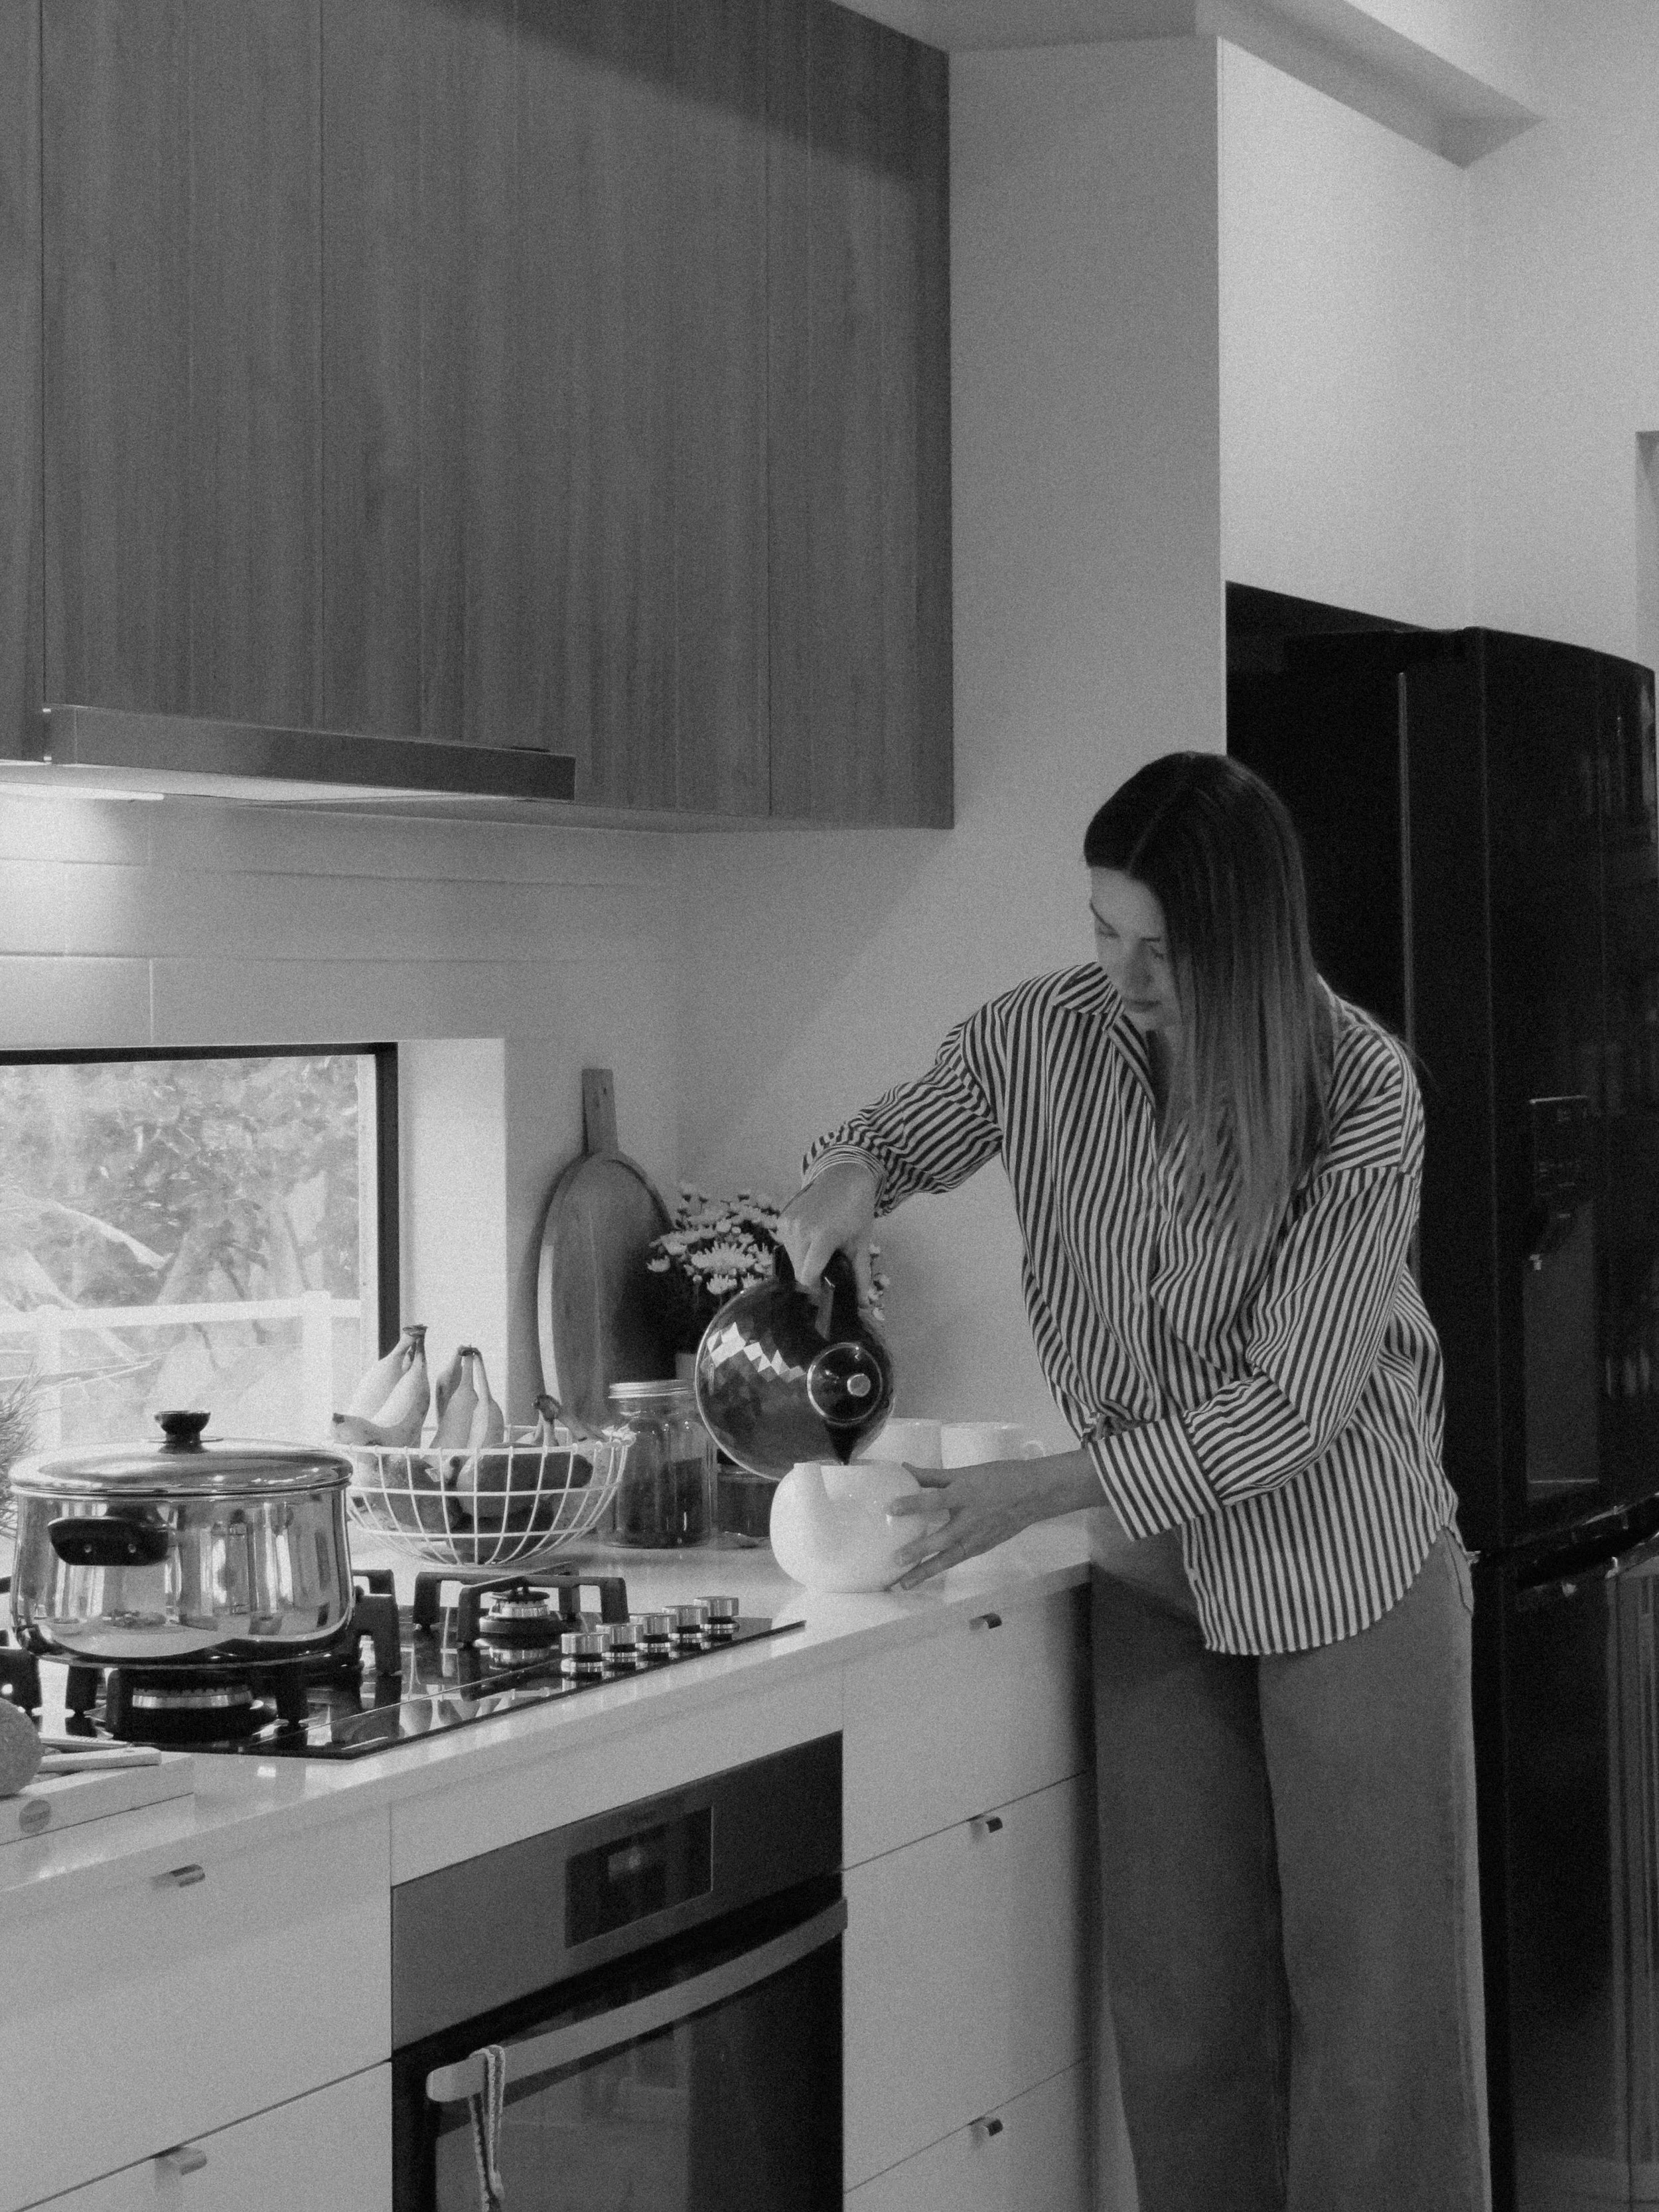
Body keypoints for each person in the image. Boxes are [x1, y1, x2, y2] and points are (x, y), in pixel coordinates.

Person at [777, 751, 1490, 2212]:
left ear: (1249, 938)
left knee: (1374, 2032)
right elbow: (895, 1135)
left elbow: (1292, 1405)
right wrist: (831, 1198)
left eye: (1160, 949)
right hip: (1156, 1572)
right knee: (1179, 2023)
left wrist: (1036, 1490)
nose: (1121, 973)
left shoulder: (1359, 1094)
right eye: (1103, 929)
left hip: (1343, 1567)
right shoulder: (1039, 1036)